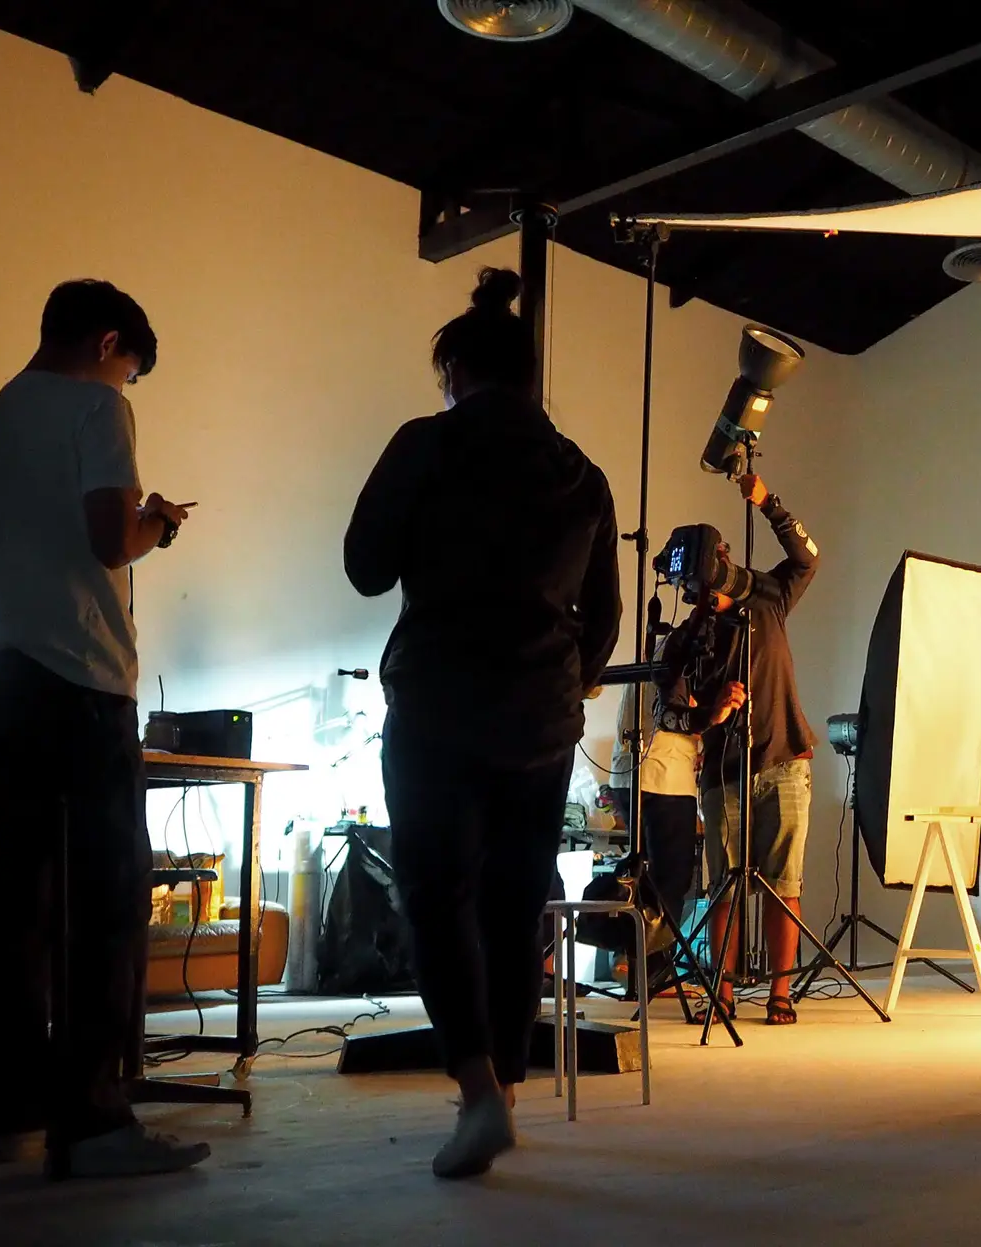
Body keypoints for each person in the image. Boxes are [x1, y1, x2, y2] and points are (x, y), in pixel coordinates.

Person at [345, 266, 621, 1180]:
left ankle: (477, 1094)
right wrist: (564, 684)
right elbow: (604, 616)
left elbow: (364, 566)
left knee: (436, 896)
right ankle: (502, 1086)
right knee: (514, 904)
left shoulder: (426, 444)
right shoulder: (583, 474)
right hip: (542, 720)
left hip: (438, 708)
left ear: (456, 371)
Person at [0, 279, 206, 1176]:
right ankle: (93, 1124)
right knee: (109, 903)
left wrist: (30, 542)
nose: (126, 384)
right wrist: (157, 522)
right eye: (130, 368)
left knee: (21, 907)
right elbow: (111, 541)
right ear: (106, 344)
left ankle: (15, 1118)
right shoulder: (98, 408)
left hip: (6, 683)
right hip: (83, 683)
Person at [660, 473, 819, 1025]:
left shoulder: (768, 600)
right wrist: (710, 714)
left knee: (783, 884)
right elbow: (667, 712)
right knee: (724, 886)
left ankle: (780, 994)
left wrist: (768, 503)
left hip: (784, 759)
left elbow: (807, 558)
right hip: (722, 773)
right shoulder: (688, 638)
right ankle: (723, 992)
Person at [612, 631, 701, 985]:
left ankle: (632, 964)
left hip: (627, 774)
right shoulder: (685, 655)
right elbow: (682, 715)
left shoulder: (653, 651)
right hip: (664, 777)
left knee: (640, 877)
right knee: (670, 881)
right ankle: (655, 973)